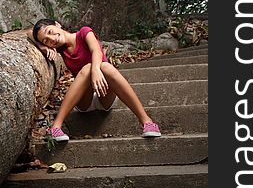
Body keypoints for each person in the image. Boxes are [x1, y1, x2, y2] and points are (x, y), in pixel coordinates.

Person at [32, 18, 161, 141]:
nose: (52, 39)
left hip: (104, 93)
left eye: (50, 32)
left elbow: (96, 51)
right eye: (46, 40)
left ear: (57, 24)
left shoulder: (84, 33)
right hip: (84, 99)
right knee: (87, 68)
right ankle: (55, 128)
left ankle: (147, 121)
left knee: (105, 66)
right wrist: (42, 47)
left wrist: (96, 70)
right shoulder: (60, 48)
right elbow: (27, 32)